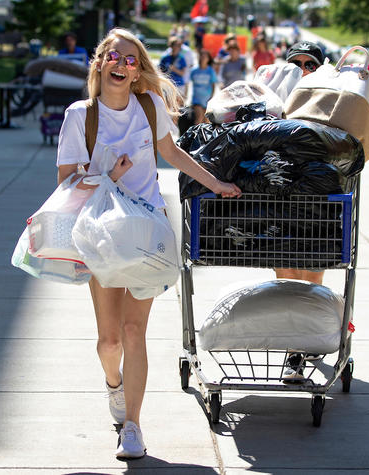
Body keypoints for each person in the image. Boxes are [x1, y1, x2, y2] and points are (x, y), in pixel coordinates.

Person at [56, 28, 241, 460]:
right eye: (114, 57)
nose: (122, 65)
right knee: (109, 342)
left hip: (147, 235)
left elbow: (171, 154)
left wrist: (215, 184)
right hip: (101, 236)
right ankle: (113, 386)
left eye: (131, 60)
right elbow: (66, 184)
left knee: (134, 331)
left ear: (138, 72)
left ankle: (133, 427)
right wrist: (111, 177)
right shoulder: (79, 117)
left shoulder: (148, 104)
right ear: (99, 62)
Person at [279, 40, 327, 382]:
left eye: (310, 65)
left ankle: (309, 333)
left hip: (319, 203)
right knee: (286, 270)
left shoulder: (330, 103)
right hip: (279, 199)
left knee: (313, 273)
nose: (302, 70)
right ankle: (294, 347)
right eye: (296, 64)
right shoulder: (271, 104)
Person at [190, 49, 218, 124]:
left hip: (207, 99)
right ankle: (195, 135)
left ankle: (203, 135)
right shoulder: (193, 70)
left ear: (208, 59)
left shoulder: (210, 71)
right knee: (199, 117)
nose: (203, 58)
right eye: (201, 56)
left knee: (206, 120)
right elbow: (189, 83)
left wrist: (211, 97)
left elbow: (213, 84)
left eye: (205, 57)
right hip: (196, 99)